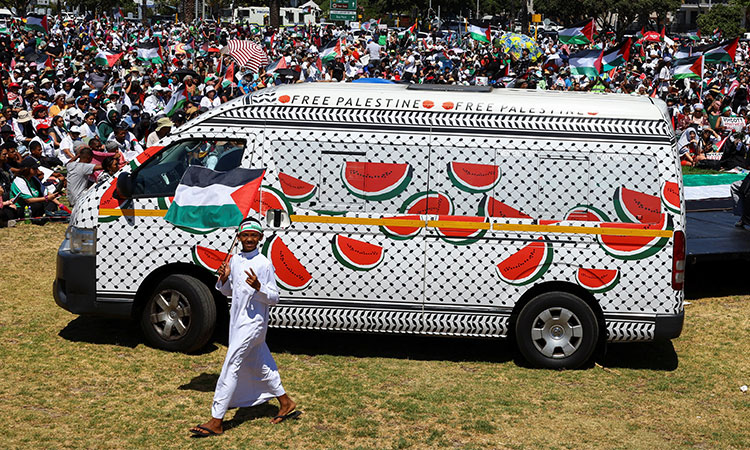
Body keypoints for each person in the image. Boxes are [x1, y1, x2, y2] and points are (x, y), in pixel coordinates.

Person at [189, 218, 301, 438]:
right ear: (238, 237)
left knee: (231, 364)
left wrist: (259, 288)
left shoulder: (263, 263)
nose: (249, 239)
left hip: (254, 324)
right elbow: (229, 291)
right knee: (261, 363)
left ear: (260, 238)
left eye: (254, 236)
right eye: (245, 235)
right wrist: (223, 279)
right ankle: (286, 402)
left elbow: (275, 297)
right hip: (237, 323)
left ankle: (216, 419)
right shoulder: (236, 260)